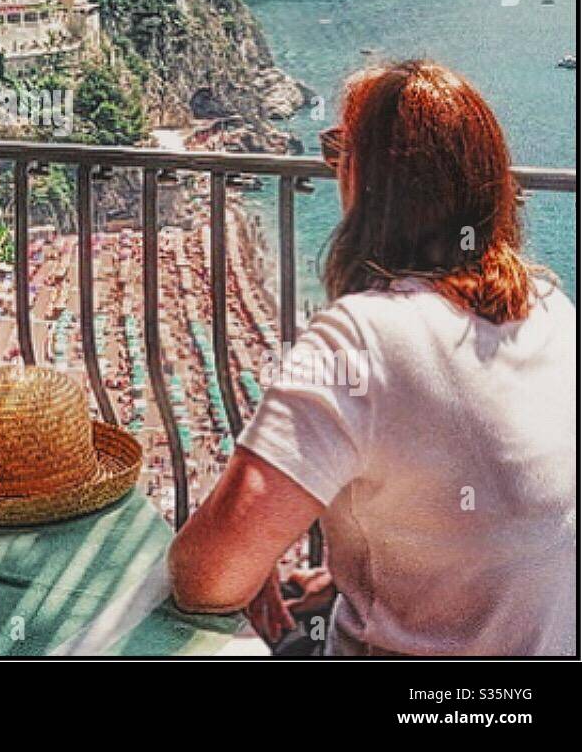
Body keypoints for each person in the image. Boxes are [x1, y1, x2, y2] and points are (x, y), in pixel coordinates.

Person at [169, 61, 576, 656]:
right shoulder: (551, 310)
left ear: (366, 181)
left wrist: (247, 564)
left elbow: (205, 577)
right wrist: (347, 581)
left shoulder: (358, 338)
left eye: (339, 151)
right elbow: (511, 518)